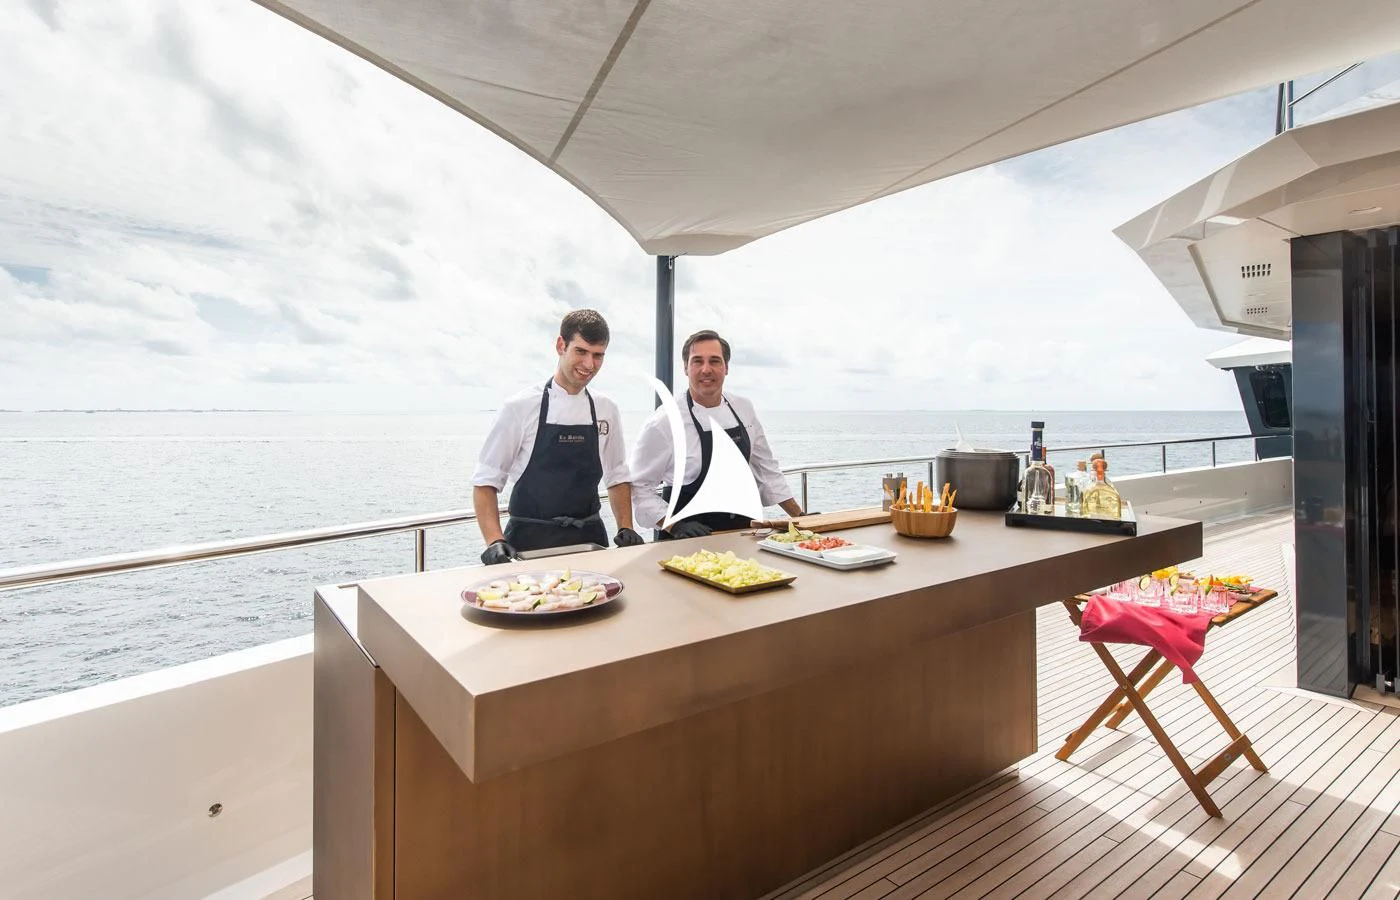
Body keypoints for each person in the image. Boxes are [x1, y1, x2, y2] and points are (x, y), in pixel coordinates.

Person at [472, 309, 644, 564]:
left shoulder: (606, 409)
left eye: (598, 355)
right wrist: (495, 541)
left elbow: (617, 475)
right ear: (560, 345)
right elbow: (486, 482)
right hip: (528, 543)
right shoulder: (519, 408)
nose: (589, 365)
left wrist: (625, 527)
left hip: (590, 542)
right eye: (581, 351)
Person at [630, 329, 804, 540]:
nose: (706, 369)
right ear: (686, 368)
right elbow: (639, 487)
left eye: (714, 361)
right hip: (685, 538)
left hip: (742, 532)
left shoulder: (743, 408)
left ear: (726, 367)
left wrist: (801, 519)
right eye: (697, 361)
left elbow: (766, 470)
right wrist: (675, 525)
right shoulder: (664, 422)